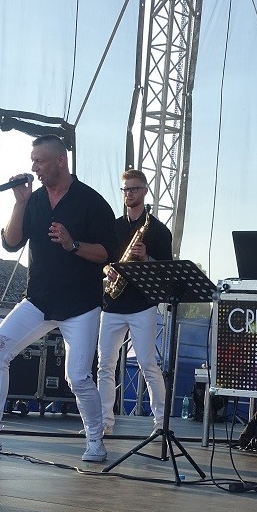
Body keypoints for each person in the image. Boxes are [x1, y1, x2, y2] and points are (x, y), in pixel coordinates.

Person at [0, 135, 117, 463]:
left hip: (81, 305)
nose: (34, 167)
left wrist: (72, 244)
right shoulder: (34, 200)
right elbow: (11, 242)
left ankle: (95, 439)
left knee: (77, 377)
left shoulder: (91, 202)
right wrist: (20, 202)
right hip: (38, 300)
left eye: (39, 161)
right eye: (32, 161)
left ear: (60, 161)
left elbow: (108, 253)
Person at [97, 169, 172, 435]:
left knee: (147, 364)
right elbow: (104, 260)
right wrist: (108, 269)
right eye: (126, 189)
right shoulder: (114, 226)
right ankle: (104, 422)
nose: (129, 194)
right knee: (105, 365)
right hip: (113, 302)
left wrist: (146, 258)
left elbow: (166, 271)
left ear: (145, 191)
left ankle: (160, 422)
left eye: (134, 189)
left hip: (143, 304)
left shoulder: (159, 231)